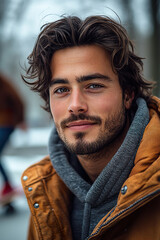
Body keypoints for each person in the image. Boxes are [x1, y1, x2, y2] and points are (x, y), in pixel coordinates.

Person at [21, 15, 160, 240]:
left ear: (128, 94)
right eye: (61, 90)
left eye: (93, 86)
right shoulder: (45, 193)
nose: (75, 106)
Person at [0, 73, 25, 209]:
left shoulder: (4, 85)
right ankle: (9, 198)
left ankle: (8, 186)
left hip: (6, 124)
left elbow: (18, 101)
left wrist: (21, 120)